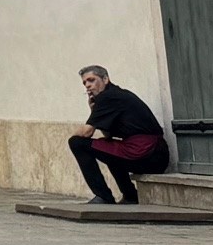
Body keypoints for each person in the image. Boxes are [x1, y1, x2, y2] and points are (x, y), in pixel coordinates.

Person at [71, 66, 170, 205]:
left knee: (76, 143)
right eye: (84, 83)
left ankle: (103, 196)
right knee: (108, 146)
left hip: (147, 153)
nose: (87, 85)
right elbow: (108, 134)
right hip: (156, 155)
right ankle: (130, 196)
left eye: (91, 80)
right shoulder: (113, 95)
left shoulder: (108, 97)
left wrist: (70, 136)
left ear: (105, 79)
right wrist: (94, 111)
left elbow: (86, 133)